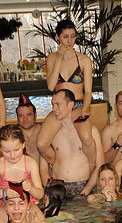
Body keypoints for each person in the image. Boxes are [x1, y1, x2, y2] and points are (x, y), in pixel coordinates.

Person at [38, 20, 97, 172]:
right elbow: (51, 86)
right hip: (59, 108)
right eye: (65, 37)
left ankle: (91, 167)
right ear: (58, 37)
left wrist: (85, 108)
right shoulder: (52, 58)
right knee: (41, 145)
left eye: (72, 36)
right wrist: (59, 58)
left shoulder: (84, 60)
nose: (69, 41)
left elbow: (88, 91)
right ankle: (56, 163)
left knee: (86, 138)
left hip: (77, 105)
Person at [41, 90, 95, 196]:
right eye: (52, 104)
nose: (53, 109)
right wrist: (50, 191)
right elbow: (43, 168)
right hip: (59, 188)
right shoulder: (51, 135)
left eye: (58, 105)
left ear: (71, 105)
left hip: (84, 187)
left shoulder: (91, 131)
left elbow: (99, 165)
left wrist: (87, 189)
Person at [0, 124, 45, 203]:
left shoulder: (31, 163)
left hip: (29, 204)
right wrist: (4, 192)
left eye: (16, 150)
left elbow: (40, 194)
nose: (12, 155)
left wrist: (31, 188)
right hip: (8, 206)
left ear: (23, 144)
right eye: (7, 151)